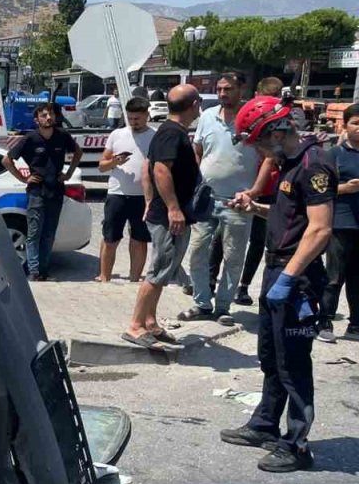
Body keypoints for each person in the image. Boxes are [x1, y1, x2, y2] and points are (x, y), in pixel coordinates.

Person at [220, 95, 336, 473]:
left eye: (256, 141)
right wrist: (254, 208)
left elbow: (319, 229)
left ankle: (297, 446)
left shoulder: (313, 164)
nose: (255, 149)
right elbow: (294, 216)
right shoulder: (288, 164)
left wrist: (288, 277)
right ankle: (265, 424)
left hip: (296, 276)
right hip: (278, 271)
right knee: (271, 357)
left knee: (294, 363)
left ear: (274, 131)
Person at [122, 84, 204, 348]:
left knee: (164, 272)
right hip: (169, 218)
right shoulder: (171, 134)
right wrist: (173, 208)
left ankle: (150, 322)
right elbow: (159, 170)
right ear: (194, 105)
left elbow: (147, 167)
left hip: (170, 214)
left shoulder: (171, 132)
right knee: (158, 271)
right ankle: (135, 325)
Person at [180, 73, 259, 326]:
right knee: (197, 252)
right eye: (220, 89)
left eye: (229, 89)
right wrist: (195, 185)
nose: (224, 93)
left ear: (242, 89)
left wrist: (254, 192)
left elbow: (268, 156)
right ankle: (202, 303)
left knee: (234, 257)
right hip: (206, 198)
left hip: (238, 201)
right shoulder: (207, 116)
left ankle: (223, 307)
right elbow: (199, 151)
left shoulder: (253, 119)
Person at [3, 103, 83, 281]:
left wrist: (69, 173)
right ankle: (34, 271)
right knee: (34, 233)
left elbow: (78, 152)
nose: (49, 118)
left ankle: (44, 271)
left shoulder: (62, 136)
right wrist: (24, 179)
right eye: (44, 115)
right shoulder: (30, 139)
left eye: (51, 114)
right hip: (36, 191)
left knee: (49, 233)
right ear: (36, 120)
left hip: (56, 190)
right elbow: (7, 160)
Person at [233, 76, 287, 307]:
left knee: (257, 241)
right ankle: (215, 280)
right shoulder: (250, 117)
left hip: (264, 190)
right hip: (244, 186)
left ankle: (243, 286)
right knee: (227, 237)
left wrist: (254, 192)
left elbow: (269, 159)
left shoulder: (278, 122)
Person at [96, 97, 154, 282]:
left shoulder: (155, 136)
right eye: (130, 118)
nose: (133, 122)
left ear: (147, 115)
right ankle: (104, 277)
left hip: (143, 196)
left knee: (139, 238)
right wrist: (114, 161)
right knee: (110, 237)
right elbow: (102, 166)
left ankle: (134, 279)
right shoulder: (117, 134)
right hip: (117, 193)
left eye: (137, 118)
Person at [321, 102, 359, 340]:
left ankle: (355, 325)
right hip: (340, 223)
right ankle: (324, 322)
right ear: (345, 126)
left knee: (357, 279)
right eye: (356, 123)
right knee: (334, 277)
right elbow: (320, 189)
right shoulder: (334, 154)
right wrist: (344, 188)